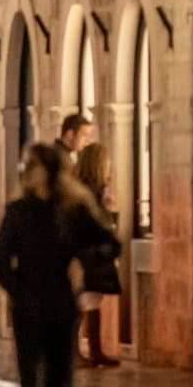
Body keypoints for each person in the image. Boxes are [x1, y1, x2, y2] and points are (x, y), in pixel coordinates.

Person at [0, 140, 120, 387]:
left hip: (63, 304)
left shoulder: (73, 210)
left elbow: (109, 243)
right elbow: (1, 260)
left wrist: (83, 266)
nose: (26, 173)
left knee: (59, 380)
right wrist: (18, 291)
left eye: (31, 166)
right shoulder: (18, 212)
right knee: (30, 379)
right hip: (28, 306)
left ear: (47, 171)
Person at [73, 140, 123, 367]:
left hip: (85, 253)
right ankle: (88, 352)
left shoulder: (80, 188)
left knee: (89, 300)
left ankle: (93, 351)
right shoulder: (90, 191)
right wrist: (111, 214)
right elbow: (95, 223)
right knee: (88, 300)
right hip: (90, 254)